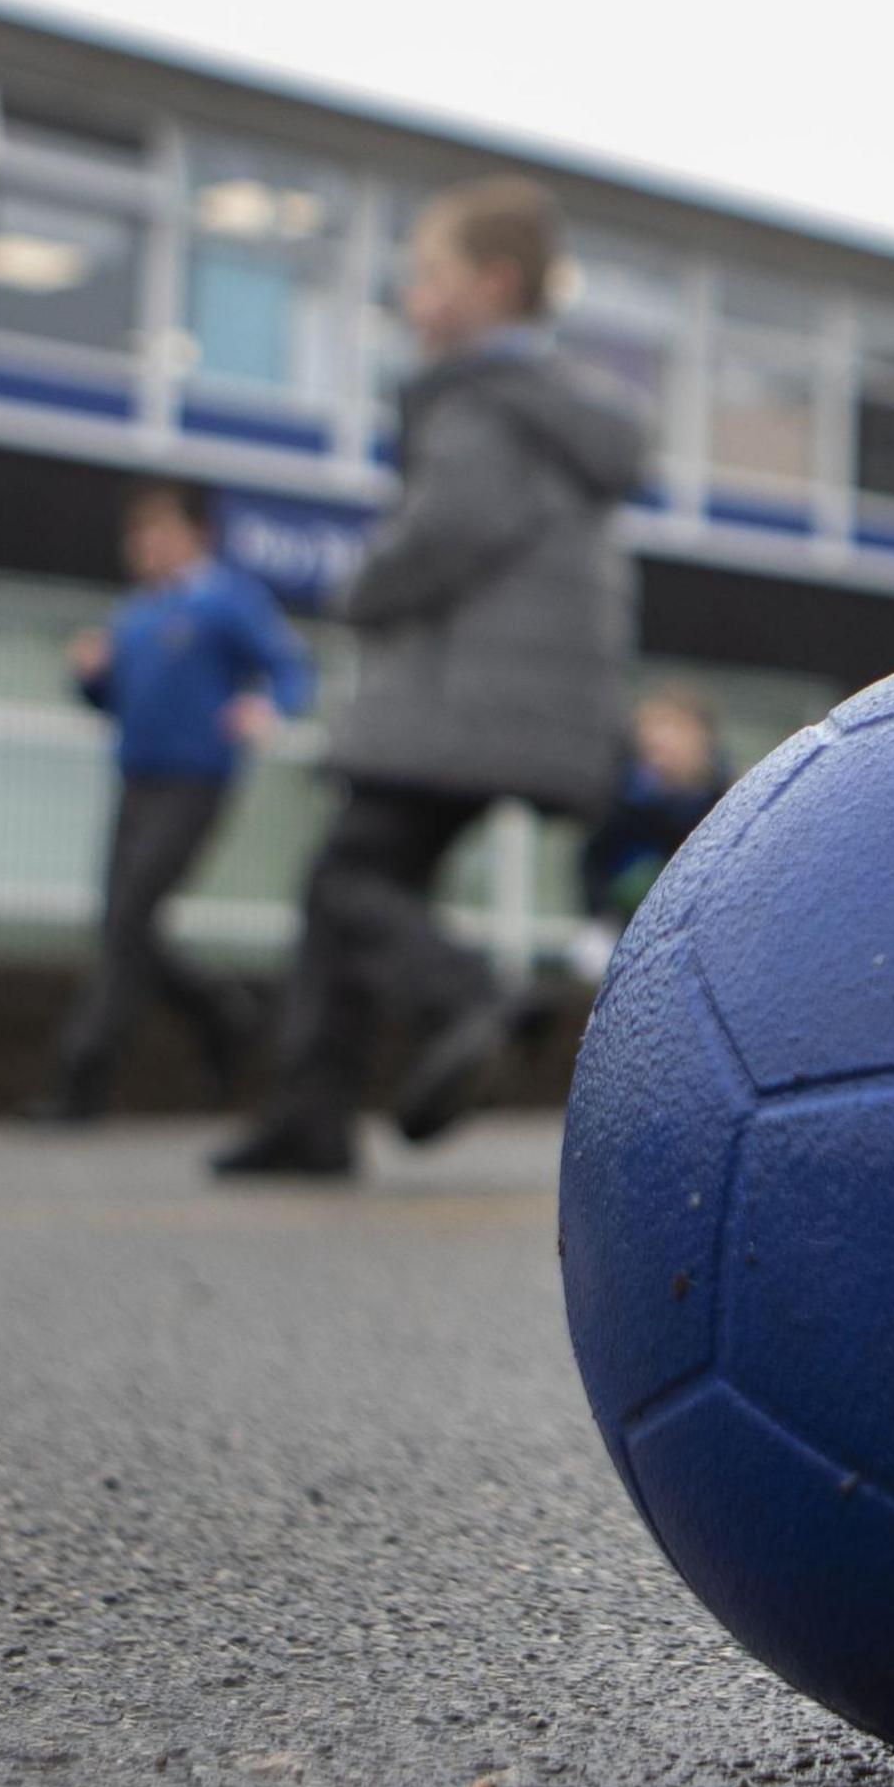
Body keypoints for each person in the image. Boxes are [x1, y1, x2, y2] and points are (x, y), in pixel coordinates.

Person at [211, 176, 644, 1179]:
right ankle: (310, 1117)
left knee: (347, 876)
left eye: (429, 276)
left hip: (459, 700)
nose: (413, 299)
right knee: (351, 887)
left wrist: (360, 586)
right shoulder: (562, 414)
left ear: (493, 287)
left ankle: (462, 998)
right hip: (522, 703)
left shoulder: (483, 403)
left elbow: (447, 529)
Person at [29, 479, 310, 1123]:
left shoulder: (226, 602)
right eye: (138, 534)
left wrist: (268, 705)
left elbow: (290, 667)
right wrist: (89, 676)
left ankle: (80, 1084)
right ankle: (224, 1014)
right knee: (121, 927)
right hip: (136, 782)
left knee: (129, 917)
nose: (143, 546)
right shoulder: (135, 615)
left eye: (157, 531)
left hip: (196, 783)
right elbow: (111, 701)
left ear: (196, 535)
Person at [568, 687, 732, 979]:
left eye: (673, 731)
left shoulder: (728, 805)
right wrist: (601, 919)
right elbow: (592, 865)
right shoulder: (621, 804)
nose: (659, 747)